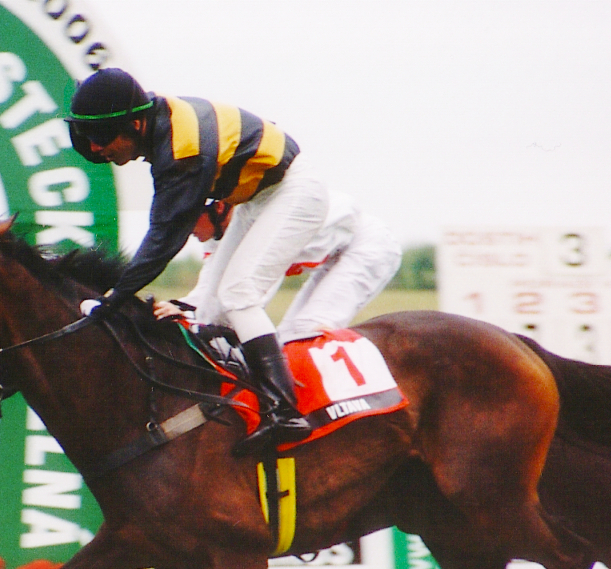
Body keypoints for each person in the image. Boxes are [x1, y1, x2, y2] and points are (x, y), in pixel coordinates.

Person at [65, 67, 327, 455]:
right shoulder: (162, 130)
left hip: (293, 192)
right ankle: (238, 401)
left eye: (102, 136)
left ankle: (285, 411)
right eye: (87, 137)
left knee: (238, 292)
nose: (96, 147)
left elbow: (164, 239)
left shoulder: (182, 150)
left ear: (135, 124)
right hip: (255, 198)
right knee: (209, 309)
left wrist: (113, 299)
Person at [154, 193, 402, 344]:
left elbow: (251, 296)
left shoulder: (256, 225)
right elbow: (209, 287)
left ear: (218, 207)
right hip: (335, 251)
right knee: (286, 338)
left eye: (187, 219)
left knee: (305, 330)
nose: (184, 230)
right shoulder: (218, 233)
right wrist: (180, 307)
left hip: (367, 246)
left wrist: (195, 320)